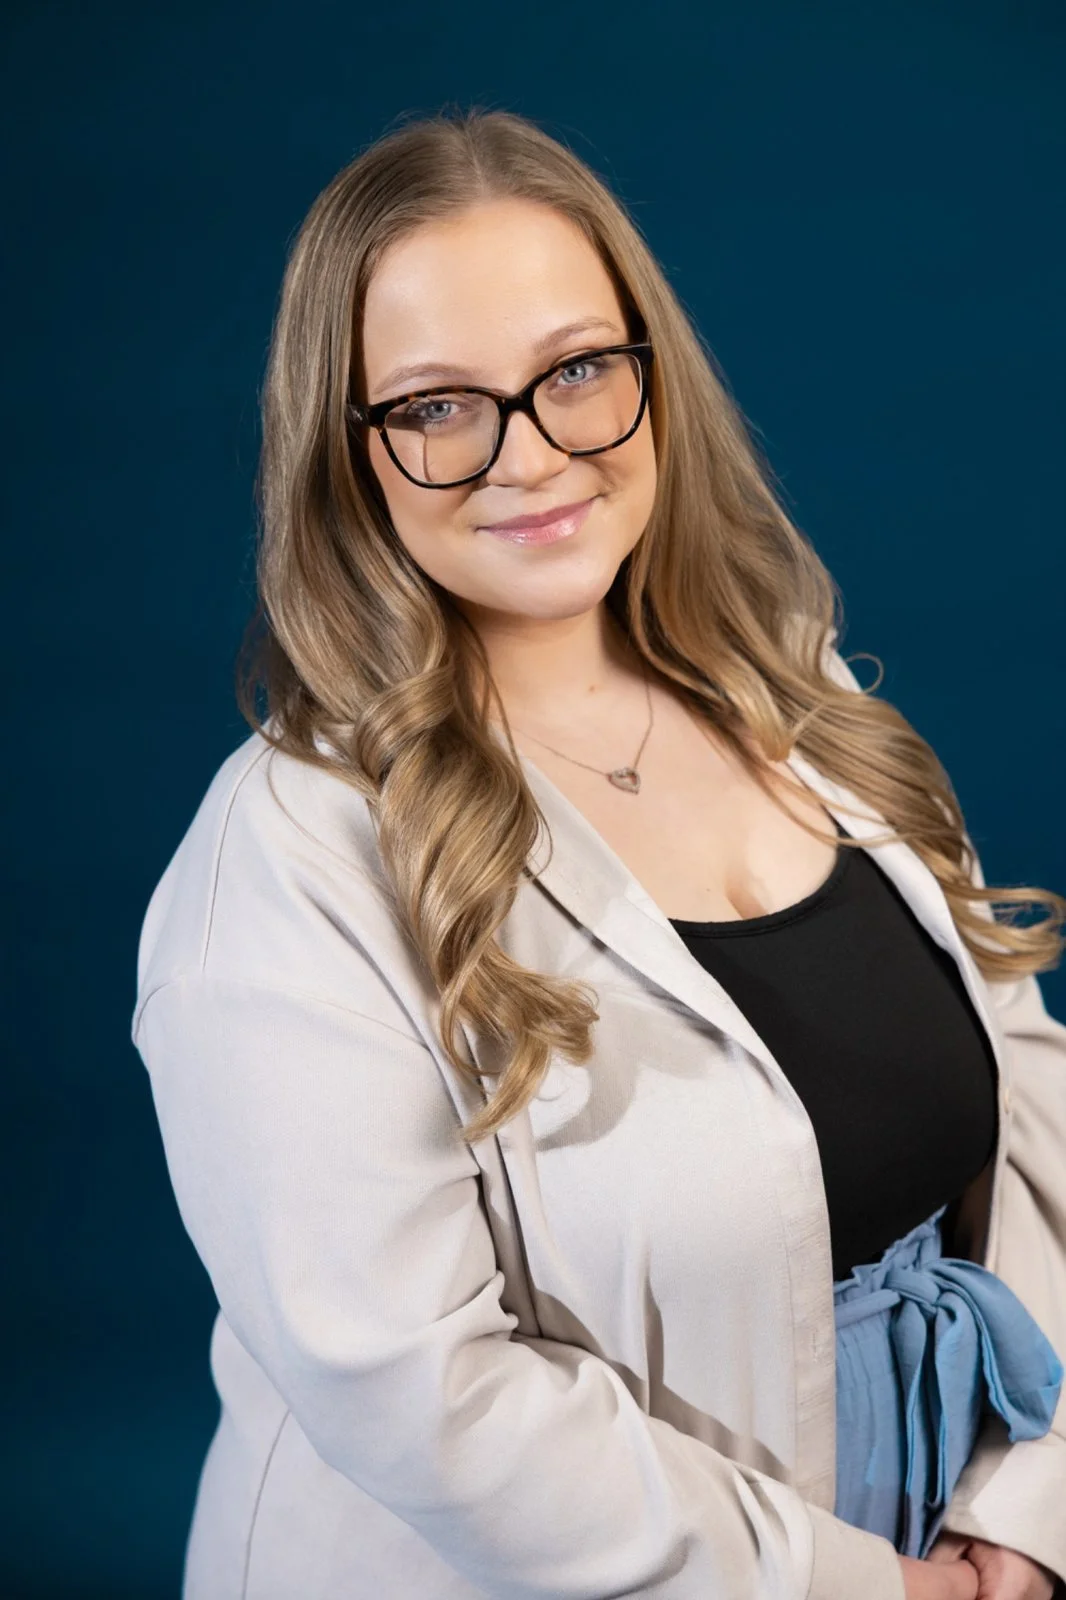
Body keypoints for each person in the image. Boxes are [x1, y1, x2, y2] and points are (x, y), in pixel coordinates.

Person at [131, 108, 1066, 1599]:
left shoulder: (804, 708)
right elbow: (422, 1392)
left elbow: (1030, 1114)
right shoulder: (290, 860)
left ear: (649, 372)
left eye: (575, 371)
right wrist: (867, 1593)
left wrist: (1024, 1512)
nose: (531, 455)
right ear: (346, 452)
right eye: (438, 406)